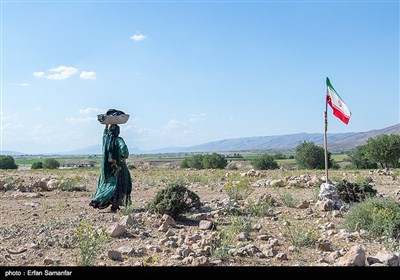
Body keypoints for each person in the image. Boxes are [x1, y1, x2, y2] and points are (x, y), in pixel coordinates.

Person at [89, 124, 132, 212]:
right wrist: (124, 156)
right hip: (118, 167)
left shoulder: (106, 140)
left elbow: (104, 134)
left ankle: (102, 200)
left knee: (108, 185)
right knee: (120, 185)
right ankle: (115, 205)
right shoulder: (118, 140)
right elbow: (123, 147)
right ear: (117, 131)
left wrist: (106, 125)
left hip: (107, 169)